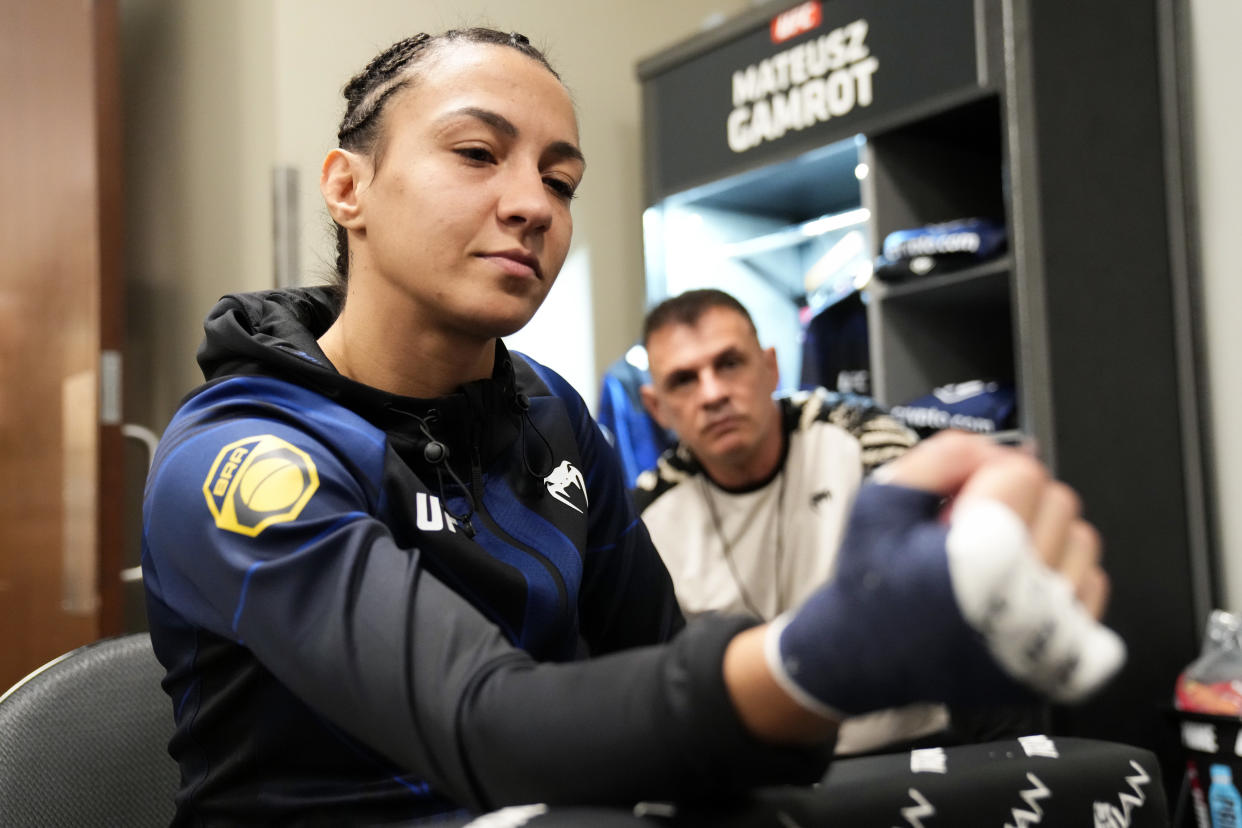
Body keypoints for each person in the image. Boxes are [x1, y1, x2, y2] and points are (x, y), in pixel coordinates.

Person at [141, 27, 1123, 826]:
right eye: (478, 153)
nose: (531, 204)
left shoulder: (550, 414)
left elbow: (652, 669)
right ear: (347, 185)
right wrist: (822, 656)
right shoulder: (239, 455)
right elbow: (484, 726)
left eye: (561, 181)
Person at [633, 290, 1044, 755]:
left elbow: (960, 604)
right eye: (684, 380)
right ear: (657, 406)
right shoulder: (645, 517)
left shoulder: (864, 439)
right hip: (757, 769)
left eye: (729, 363)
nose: (713, 394)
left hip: (912, 744)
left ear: (770, 367)